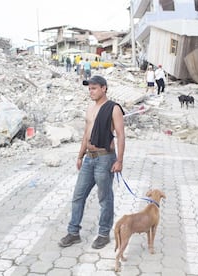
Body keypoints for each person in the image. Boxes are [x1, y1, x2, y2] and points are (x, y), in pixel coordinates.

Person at [59, 75, 125, 249]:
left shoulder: (113, 108)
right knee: (78, 196)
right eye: (89, 88)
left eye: (94, 88)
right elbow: (86, 134)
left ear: (104, 88)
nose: (91, 91)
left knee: (105, 198)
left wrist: (119, 160)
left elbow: (120, 135)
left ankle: (103, 234)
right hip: (89, 158)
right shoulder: (89, 109)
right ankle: (73, 232)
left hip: (105, 157)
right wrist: (80, 156)